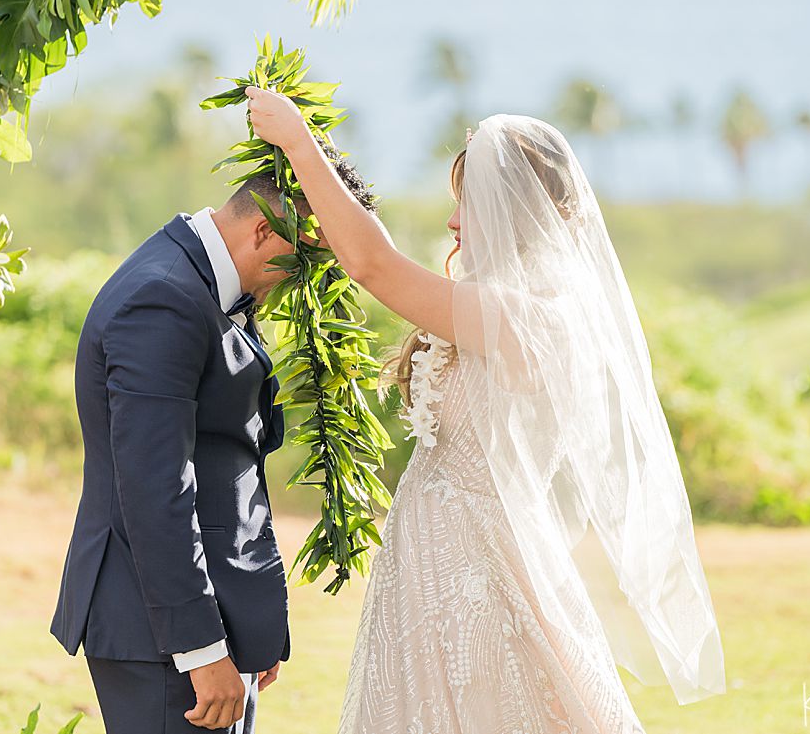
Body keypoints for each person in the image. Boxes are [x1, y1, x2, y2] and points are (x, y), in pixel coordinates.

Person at [245, 86, 727, 733]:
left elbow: (373, 265)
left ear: (517, 210)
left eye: (467, 204)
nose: (452, 223)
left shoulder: (534, 317)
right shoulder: (496, 299)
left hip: (482, 567)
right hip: (430, 557)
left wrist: (298, 140)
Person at [48, 148, 376, 734]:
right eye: (306, 262)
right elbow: (156, 490)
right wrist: (202, 650)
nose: (306, 282)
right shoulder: (163, 299)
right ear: (262, 230)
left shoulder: (209, 284)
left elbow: (227, 457)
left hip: (215, 615)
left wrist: (251, 621)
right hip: (164, 635)